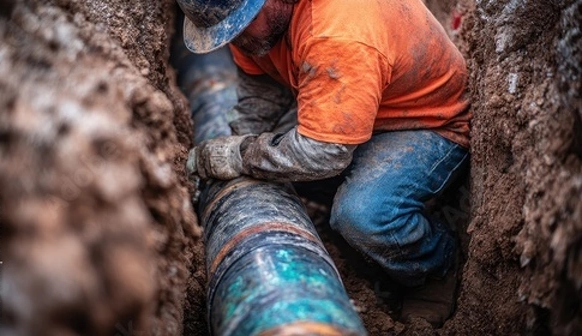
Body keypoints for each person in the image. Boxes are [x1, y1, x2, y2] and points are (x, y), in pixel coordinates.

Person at [180, 0, 471, 327]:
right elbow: (261, 88)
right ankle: (376, 225)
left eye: (242, 25)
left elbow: (324, 153)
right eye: (228, 33)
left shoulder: (335, 32)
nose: (238, 40)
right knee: (277, 160)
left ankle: (434, 267)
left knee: (361, 215)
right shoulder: (255, 27)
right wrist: (237, 146)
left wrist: (240, 156)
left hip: (424, 123)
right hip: (356, 111)